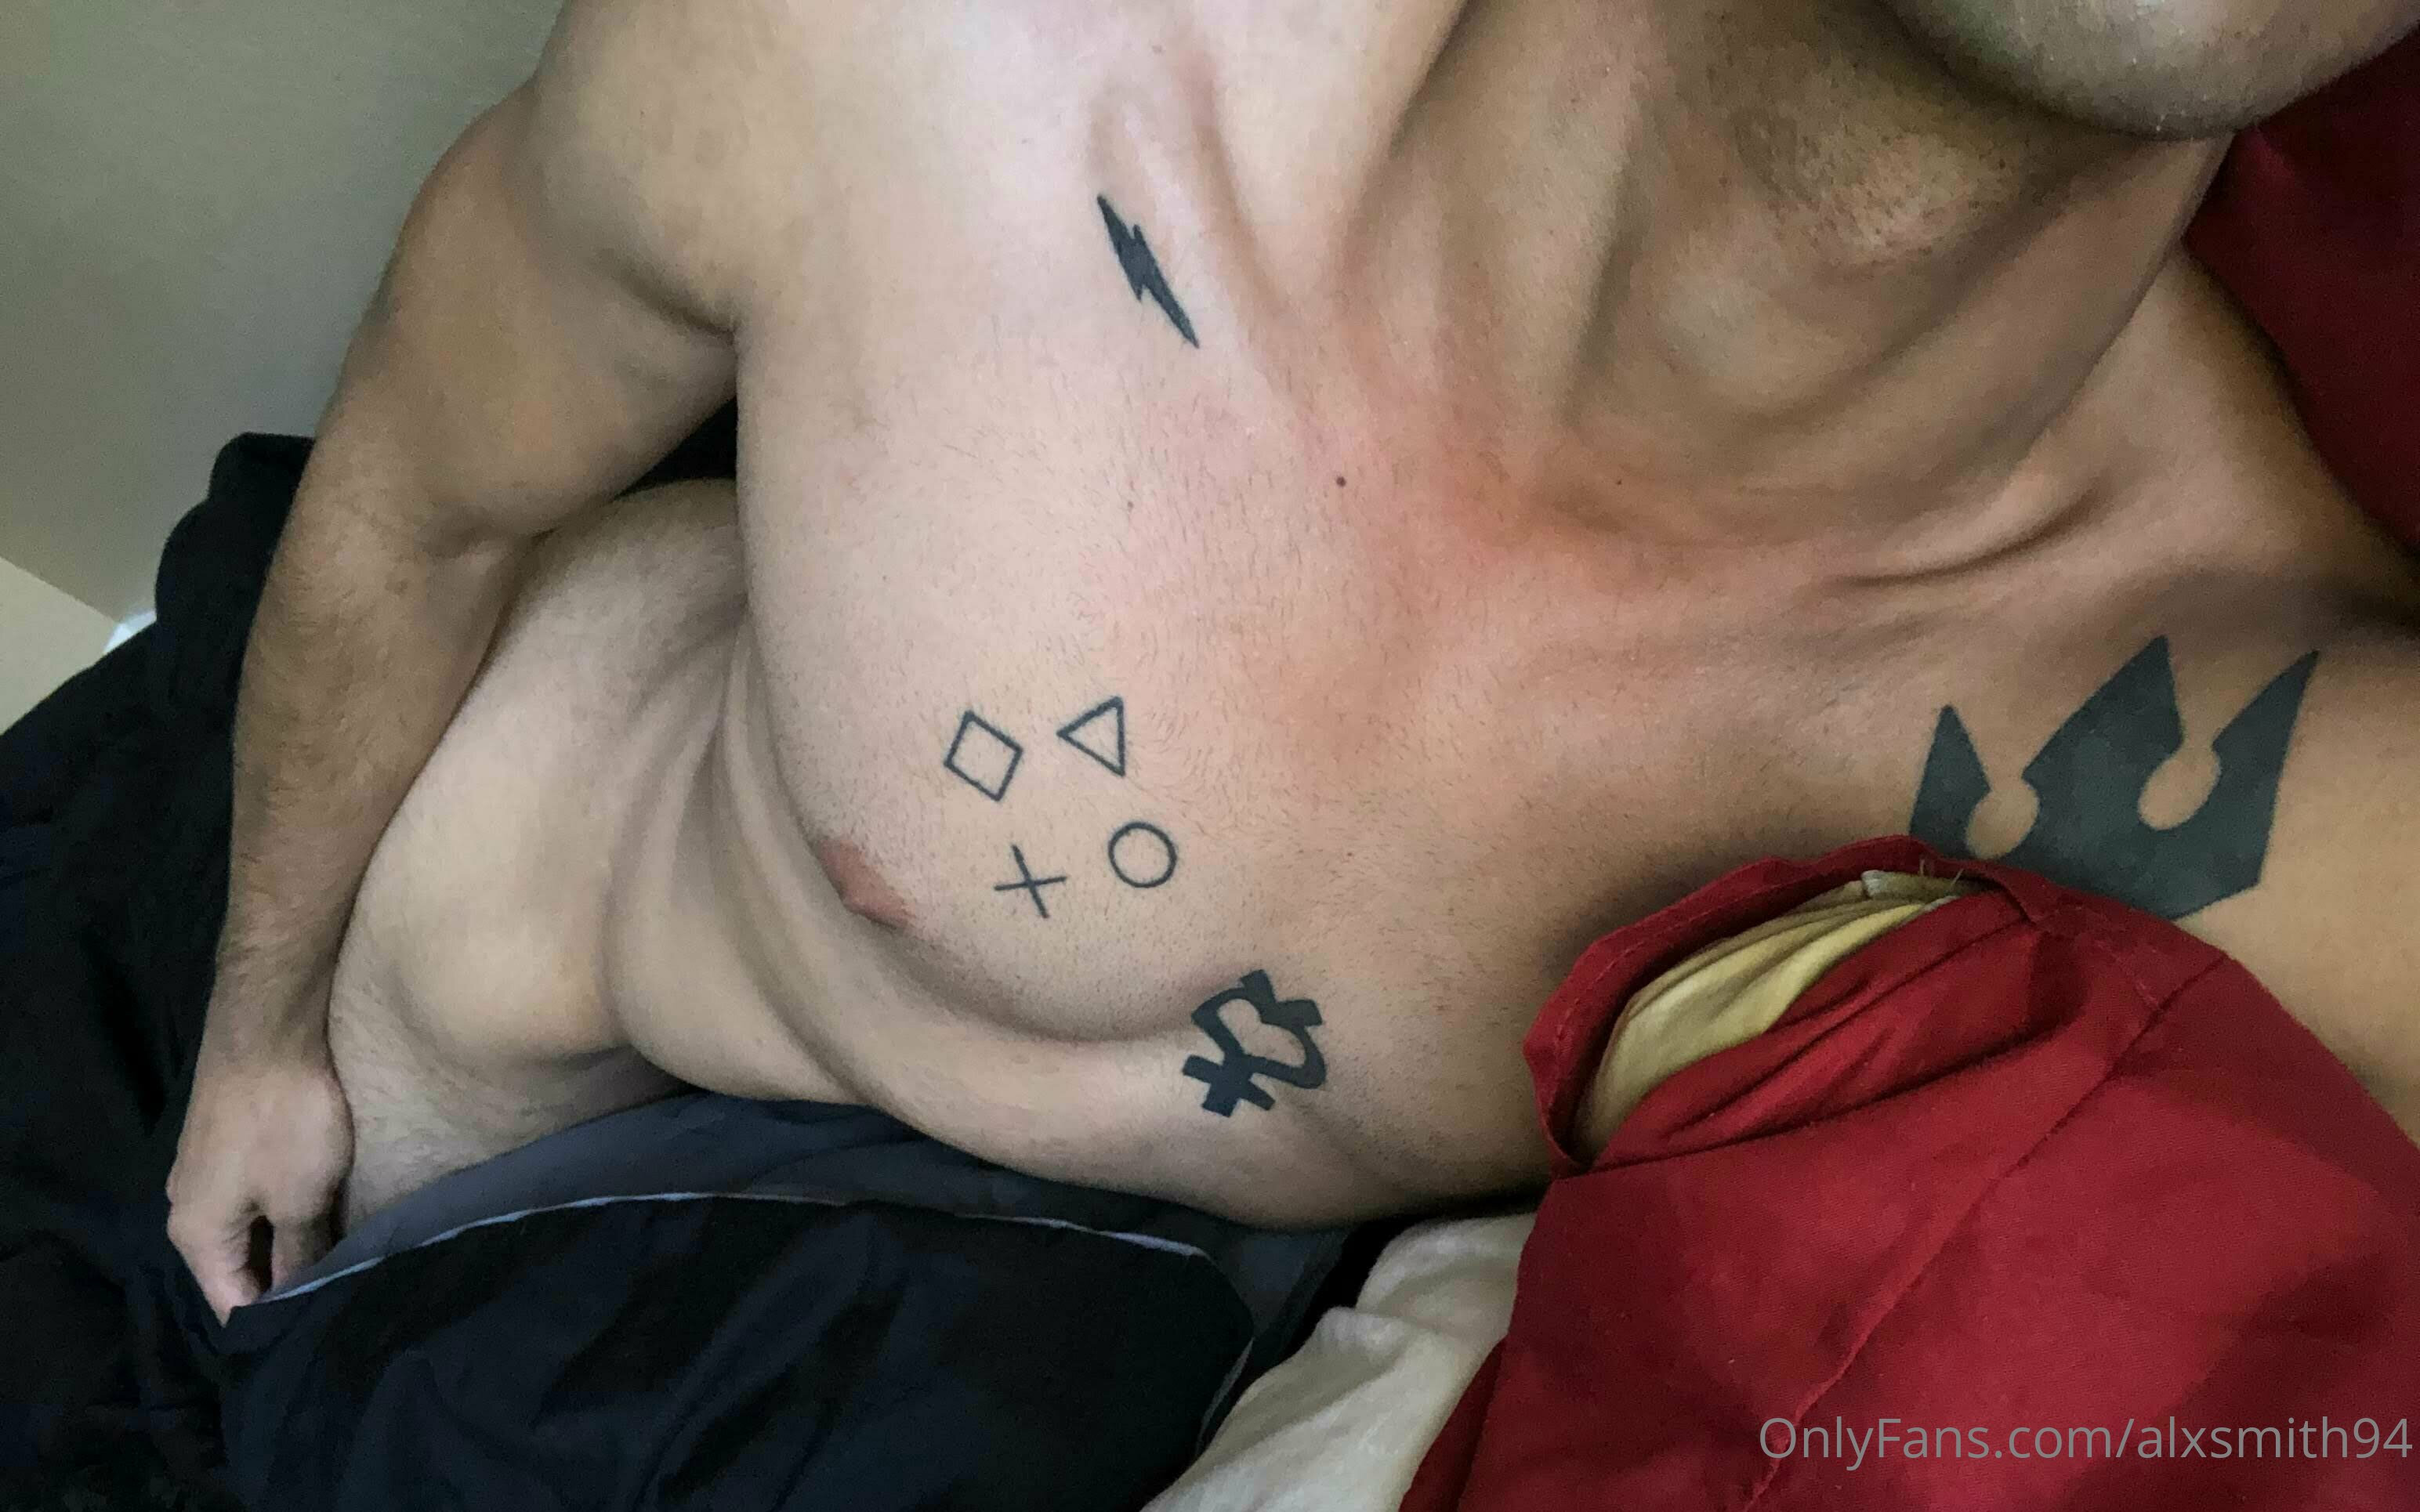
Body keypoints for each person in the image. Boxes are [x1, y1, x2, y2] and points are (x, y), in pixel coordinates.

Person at [167, 0, 2420, 1322]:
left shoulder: (2276, 759)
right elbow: (422, 498)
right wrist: (255, 1037)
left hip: (1075, 1331)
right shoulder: (949, 65)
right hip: (490, 1053)